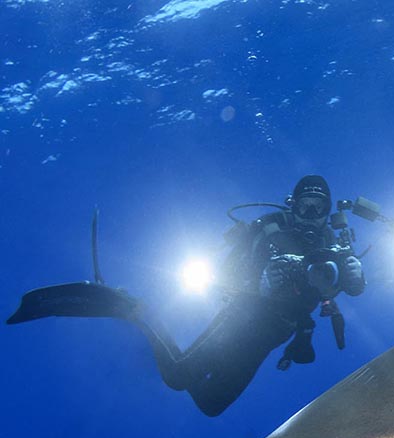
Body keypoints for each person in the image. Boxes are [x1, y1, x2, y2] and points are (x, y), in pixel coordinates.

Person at [6, 175, 365, 416]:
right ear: (292, 204)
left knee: (210, 405)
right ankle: (133, 308)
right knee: (178, 376)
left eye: (319, 208)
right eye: (305, 206)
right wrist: (260, 283)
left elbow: (343, 289)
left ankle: (144, 321)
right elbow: (224, 274)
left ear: (328, 212)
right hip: (243, 318)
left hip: (276, 333)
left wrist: (356, 277)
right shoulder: (269, 231)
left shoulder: (333, 245)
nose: (311, 215)